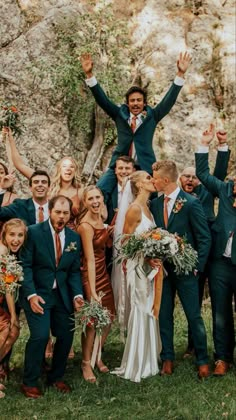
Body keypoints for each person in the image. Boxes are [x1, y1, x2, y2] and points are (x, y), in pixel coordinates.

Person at [80, 51, 191, 198]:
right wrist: (89, 75)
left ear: (144, 103)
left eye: (139, 100)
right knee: (100, 191)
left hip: (144, 165)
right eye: (132, 101)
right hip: (120, 165)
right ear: (128, 103)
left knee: (151, 197)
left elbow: (168, 101)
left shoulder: (152, 116)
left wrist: (180, 74)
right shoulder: (120, 114)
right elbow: (103, 100)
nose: (136, 103)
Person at [151, 160, 211, 379]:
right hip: (162, 272)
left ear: (165, 180)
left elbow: (204, 239)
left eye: (154, 178)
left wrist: (196, 268)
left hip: (186, 271)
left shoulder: (191, 203)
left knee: (193, 315)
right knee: (164, 314)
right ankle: (167, 357)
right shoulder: (155, 205)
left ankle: (202, 359)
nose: (152, 181)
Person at [20, 195, 83, 398]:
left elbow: (73, 271)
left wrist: (77, 296)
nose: (61, 216)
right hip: (38, 294)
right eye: (58, 212)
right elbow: (26, 266)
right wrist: (30, 295)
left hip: (62, 295)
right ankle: (29, 381)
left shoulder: (74, 238)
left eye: (65, 213)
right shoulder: (34, 233)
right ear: (50, 211)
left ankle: (56, 377)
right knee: (39, 336)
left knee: (66, 335)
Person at [179, 127, 231, 357]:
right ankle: (193, 344)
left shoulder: (208, 193)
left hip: (215, 254)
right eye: (186, 176)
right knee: (194, 299)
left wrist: (220, 146)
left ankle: (223, 350)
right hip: (192, 254)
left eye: (194, 177)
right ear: (180, 179)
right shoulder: (177, 200)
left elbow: (217, 174)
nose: (190, 180)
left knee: (220, 304)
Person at [111, 171, 161, 382]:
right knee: (141, 309)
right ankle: (136, 364)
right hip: (138, 268)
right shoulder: (133, 209)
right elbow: (123, 242)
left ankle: (150, 361)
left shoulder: (148, 208)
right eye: (148, 178)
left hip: (150, 267)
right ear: (139, 185)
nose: (152, 180)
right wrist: (146, 254)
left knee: (149, 308)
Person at [195, 128, 236, 376]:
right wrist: (207, 144)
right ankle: (222, 358)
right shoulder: (225, 189)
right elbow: (202, 174)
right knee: (220, 312)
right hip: (220, 263)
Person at [4, 128, 83, 230]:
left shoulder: (80, 191)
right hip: (47, 231)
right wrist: (10, 139)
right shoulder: (46, 183)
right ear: (59, 169)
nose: (68, 169)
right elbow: (20, 165)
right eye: (64, 166)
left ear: (75, 171)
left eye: (71, 167)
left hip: (70, 234)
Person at [77, 186, 115, 383]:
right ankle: (85, 363)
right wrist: (91, 291)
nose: (95, 201)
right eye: (90, 198)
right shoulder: (85, 226)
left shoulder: (101, 217)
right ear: (85, 202)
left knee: (109, 317)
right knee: (92, 321)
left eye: (97, 197)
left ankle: (97, 355)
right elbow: (90, 260)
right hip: (90, 274)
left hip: (104, 273)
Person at [0, 219, 27, 398]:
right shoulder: (2, 253)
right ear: (4, 235)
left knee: (13, 333)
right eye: (12, 235)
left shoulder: (12, 253)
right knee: (6, 330)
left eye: (20, 235)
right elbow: (8, 288)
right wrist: (14, 317)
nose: (16, 239)